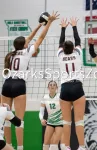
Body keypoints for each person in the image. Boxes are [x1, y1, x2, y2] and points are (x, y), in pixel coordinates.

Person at [1, 11, 59, 150]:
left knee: (6, 119)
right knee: (19, 121)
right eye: (26, 42)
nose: (28, 42)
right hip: (19, 85)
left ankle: (7, 146)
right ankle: (20, 148)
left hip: (7, 85)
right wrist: (49, 23)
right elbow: (40, 38)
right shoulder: (27, 52)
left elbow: (29, 38)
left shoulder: (11, 54)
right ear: (24, 45)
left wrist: (39, 25)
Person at [57, 18, 86, 150]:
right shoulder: (78, 53)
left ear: (63, 49)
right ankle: (81, 147)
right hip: (77, 87)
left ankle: (66, 146)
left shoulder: (59, 55)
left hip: (65, 88)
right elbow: (78, 40)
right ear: (74, 48)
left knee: (66, 122)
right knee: (79, 121)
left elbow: (60, 42)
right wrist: (74, 26)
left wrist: (63, 28)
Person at [39, 80, 63, 150]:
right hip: (50, 122)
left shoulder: (60, 96)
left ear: (57, 88)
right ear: (48, 87)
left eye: (54, 85)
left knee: (54, 144)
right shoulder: (45, 97)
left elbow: (70, 106)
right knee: (45, 143)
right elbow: (41, 111)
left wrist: (65, 114)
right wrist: (41, 119)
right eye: (50, 85)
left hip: (59, 122)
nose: (52, 86)